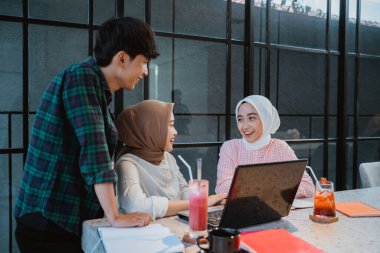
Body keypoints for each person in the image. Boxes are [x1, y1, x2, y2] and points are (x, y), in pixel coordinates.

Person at [14, 16, 159, 253]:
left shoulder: (95, 86)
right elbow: (96, 152)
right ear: (122, 58)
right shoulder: (82, 77)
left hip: (59, 220)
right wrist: (115, 216)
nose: (144, 72)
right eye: (143, 62)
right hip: (47, 221)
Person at [115, 100, 226, 219]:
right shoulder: (127, 163)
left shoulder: (167, 157)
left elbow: (183, 190)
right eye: (171, 125)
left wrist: (207, 202)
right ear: (150, 128)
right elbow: (136, 206)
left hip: (173, 222)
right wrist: (199, 203)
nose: (176, 132)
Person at [215, 95, 315, 198]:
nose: (244, 126)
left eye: (251, 118)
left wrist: (266, 191)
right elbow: (223, 186)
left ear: (265, 119)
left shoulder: (281, 148)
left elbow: (308, 187)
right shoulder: (230, 147)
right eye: (240, 119)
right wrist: (272, 190)